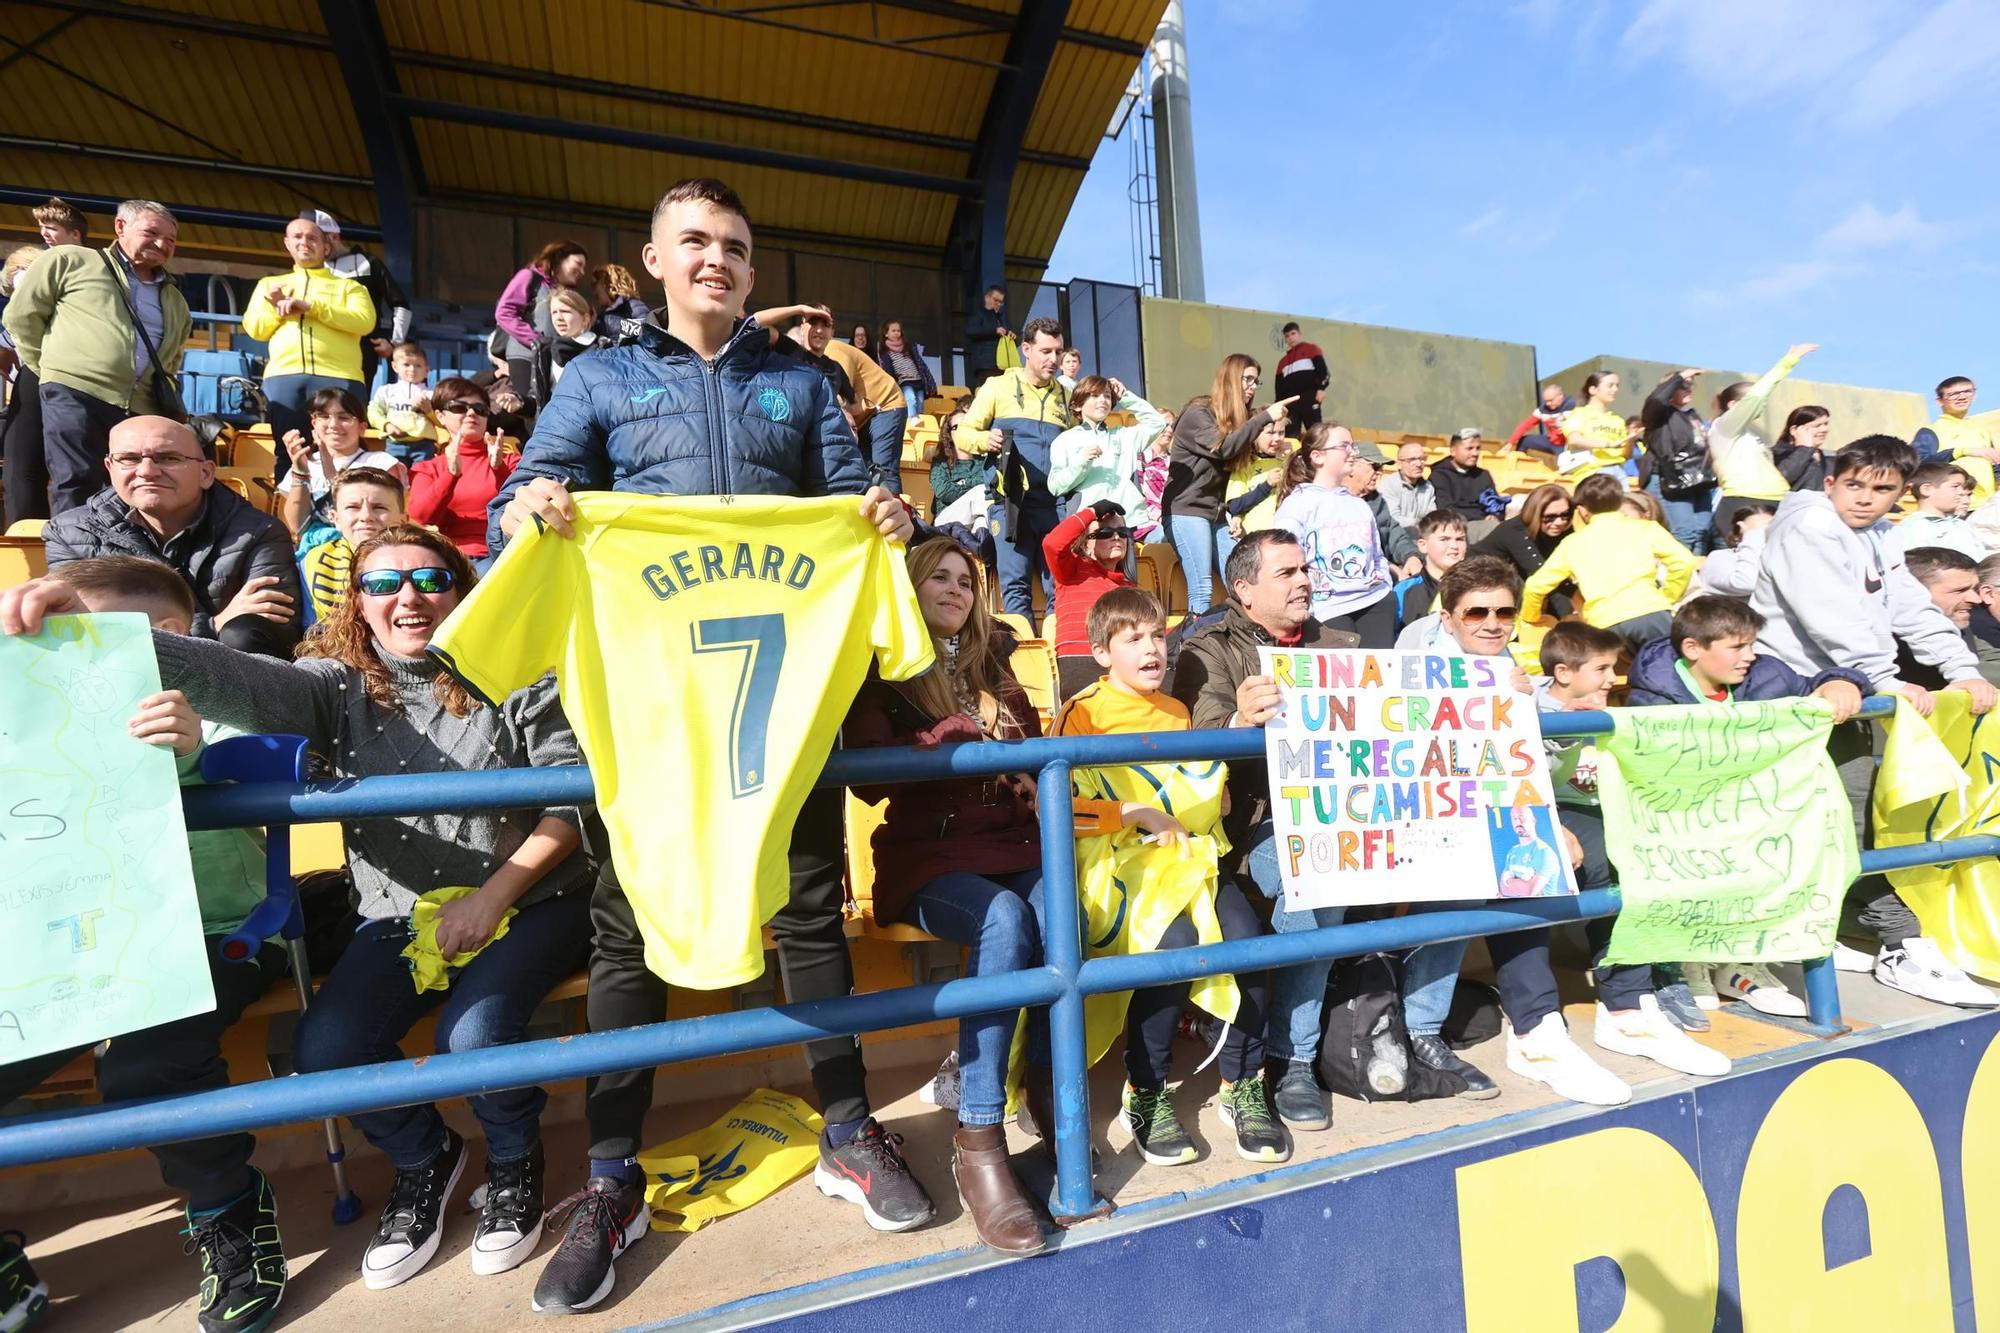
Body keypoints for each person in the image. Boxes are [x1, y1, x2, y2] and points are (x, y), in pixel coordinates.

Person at [487, 177, 930, 1313]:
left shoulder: (803, 381)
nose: (716, 259)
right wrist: (530, 503)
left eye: (734, 245)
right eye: (694, 242)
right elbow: (528, 495)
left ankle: (844, 1127)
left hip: (780, 720)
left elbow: (851, 501)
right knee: (625, 928)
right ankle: (608, 1177)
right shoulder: (595, 375)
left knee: (808, 914)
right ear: (651, 258)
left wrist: (886, 513)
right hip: (650, 716)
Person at [16, 526, 597, 1292]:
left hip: (532, 899)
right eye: (383, 585)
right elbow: (235, 679)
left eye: (430, 577)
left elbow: (567, 804)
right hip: (400, 914)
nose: (409, 597)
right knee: (326, 1049)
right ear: (357, 603)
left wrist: (491, 898)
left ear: (463, 588)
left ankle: (516, 1163)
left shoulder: (522, 669)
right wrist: (98, 637)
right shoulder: (335, 684)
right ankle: (428, 1158)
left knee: (476, 1033)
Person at [0, 556, 290, 1333]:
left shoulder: (215, 698)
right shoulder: (30, 718)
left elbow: (238, 743)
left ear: (166, 638)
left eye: (83, 631)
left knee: (147, 1063)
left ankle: (230, 1214)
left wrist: (188, 741)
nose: (62, 650)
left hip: (211, 935)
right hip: (60, 952)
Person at [842, 540, 1049, 1255]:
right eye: (941, 575)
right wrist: (940, 739)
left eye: (968, 579)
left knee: (1061, 912)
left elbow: (1033, 746)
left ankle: (1046, 1104)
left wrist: (1016, 758)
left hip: (1009, 844)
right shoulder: (884, 667)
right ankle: (981, 1135)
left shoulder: (992, 663)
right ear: (912, 585)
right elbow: (866, 778)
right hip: (927, 857)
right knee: (1004, 918)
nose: (957, 588)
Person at [1750, 435, 2000, 1007]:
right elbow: (1829, 615)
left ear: (1901, 494)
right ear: (1832, 480)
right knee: (1850, 813)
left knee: (1860, 813)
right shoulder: (1808, 526)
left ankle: (1847, 927)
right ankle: (1896, 942)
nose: (1865, 499)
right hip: (1792, 689)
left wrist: (1961, 668)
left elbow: (1910, 608)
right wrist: (1884, 679)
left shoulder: (1880, 536)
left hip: (1852, 690)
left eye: (1883, 490)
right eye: (1855, 485)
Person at [1055, 587, 1284, 1164]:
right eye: (1133, 639)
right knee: (1172, 946)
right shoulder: (1080, 713)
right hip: (1119, 871)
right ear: (1102, 653)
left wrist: (1217, 796)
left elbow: (1195, 787)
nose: (1151, 648)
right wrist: (1131, 812)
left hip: (1188, 862)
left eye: (1157, 635)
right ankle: (1148, 1089)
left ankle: (1243, 1083)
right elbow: (1061, 809)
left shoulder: (1179, 712)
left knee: (1248, 943)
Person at [1169, 530, 1361, 1129]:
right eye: (1287, 572)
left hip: (1340, 808)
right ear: (1245, 590)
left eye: (1305, 568)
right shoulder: (1207, 646)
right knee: (1320, 877)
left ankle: (1287, 1040)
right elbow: (1197, 742)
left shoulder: (1340, 643)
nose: (1305, 580)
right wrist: (1238, 721)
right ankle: (1291, 1056)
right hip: (1252, 817)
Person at [1625, 596, 1870, 1016]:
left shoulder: (1768, 673)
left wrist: (1841, 683)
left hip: (1757, 814)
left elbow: (1813, 686)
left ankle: (1742, 964)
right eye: (1737, 647)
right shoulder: (1651, 696)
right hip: (1689, 816)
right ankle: (1693, 957)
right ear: (1693, 649)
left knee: (1793, 840)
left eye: (1751, 644)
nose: (1750, 656)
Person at [1533, 622, 1740, 1064]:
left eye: (1614, 668)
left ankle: (1657, 981)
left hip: (1600, 806)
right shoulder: (1534, 707)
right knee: (1615, 860)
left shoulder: (1608, 709)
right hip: (1551, 811)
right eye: (1602, 669)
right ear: (1565, 673)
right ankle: (1626, 999)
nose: (1613, 679)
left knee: (1666, 847)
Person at [43, 416, 302, 657]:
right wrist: (212, 624)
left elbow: (270, 630)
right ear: (110, 467)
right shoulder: (70, 533)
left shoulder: (260, 532)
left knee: (241, 633)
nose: (147, 471)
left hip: (222, 682)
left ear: (206, 473)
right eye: (129, 459)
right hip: (113, 679)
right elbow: (85, 628)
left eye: (168, 458)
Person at [2, 198, 190, 516]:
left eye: (170, 240)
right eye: (152, 232)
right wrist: (52, 369)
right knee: (76, 483)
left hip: (138, 409)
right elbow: (22, 317)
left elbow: (171, 360)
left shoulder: (177, 301)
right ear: (120, 227)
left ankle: (114, 564)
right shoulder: (71, 260)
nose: (161, 244)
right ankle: (75, 565)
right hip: (74, 392)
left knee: (125, 492)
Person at [955, 315, 1073, 624]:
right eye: (1046, 351)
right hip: (1011, 504)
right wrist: (986, 439)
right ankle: (1023, 666)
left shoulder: (1065, 395)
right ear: (1026, 349)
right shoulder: (997, 387)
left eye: (1058, 352)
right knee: (1016, 588)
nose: (1054, 359)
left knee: (1060, 589)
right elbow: (963, 435)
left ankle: (1059, 663)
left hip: (1054, 505)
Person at [242, 215, 374, 481]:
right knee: (289, 449)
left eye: (312, 237)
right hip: (284, 376)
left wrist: (311, 307)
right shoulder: (269, 286)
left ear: (326, 247)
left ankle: (346, 512)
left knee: (345, 449)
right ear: (287, 244)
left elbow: (364, 322)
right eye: (298, 237)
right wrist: (280, 310)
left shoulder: (350, 286)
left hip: (340, 375)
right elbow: (255, 328)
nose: (305, 242)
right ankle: (289, 515)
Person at [1163, 353, 1291, 613]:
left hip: (1217, 513)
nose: (1252, 387)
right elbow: (1223, 448)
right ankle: (1196, 650)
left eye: (1256, 382)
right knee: (1202, 589)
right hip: (1187, 510)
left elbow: (1236, 465)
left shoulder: (1237, 421)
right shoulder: (1198, 413)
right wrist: (1265, 417)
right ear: (1230, 379)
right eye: (1247, 379)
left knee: (1241, 584)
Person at [1523, 473, 1696, 649]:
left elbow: (1535, 586)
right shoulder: (1645, 528)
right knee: (1670, 671)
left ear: (1582, 510)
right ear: (1620, 502)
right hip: (1650, 612)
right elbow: (1684, 561)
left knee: (1617, 676)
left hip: (1604, 624)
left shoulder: (1571, 543)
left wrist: (1531, 617)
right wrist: (1668, 595)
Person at [1272, 424, 1396, 645]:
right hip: (1326, 607)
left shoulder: (1360, 504)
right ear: (1318, 457)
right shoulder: (1298, 504)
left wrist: (1384, 585)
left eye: (1353, 445)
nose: (1353, 452)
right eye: (1344, 446)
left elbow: (1377, 554)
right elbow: (1285, 558)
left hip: (1375, 601)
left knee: (1377, 677)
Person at [1709, 344, 1817, 541]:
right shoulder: (1724, 427)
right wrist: (1788, 362)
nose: (1763, 403)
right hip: (1744, 500)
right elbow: (1757, 395)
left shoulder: (1747, 437)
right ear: (1733, 405)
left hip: (1775, 501)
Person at [275, 387, 404, 542]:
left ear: (362, 428)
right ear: (314, 424)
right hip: (317, 552)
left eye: (344, 417)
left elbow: (391, 519)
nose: (333, 424)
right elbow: (297, 526)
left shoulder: (382, 463)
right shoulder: (304, 463)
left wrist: (333, 478)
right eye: (324, 416)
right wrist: (300, 473)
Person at [407, 378, 516, 559]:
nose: (472, 413)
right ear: (440, 415)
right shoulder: (428, 468)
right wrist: (450, 476)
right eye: (459, 407)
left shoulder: (510, 460)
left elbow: (521, 503)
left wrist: (499, 469)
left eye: (480, 409)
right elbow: (422, 515)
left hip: (502, 554)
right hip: (450, 557)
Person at [309, 209, 412, 392]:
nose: (309, 245)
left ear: (334, 237)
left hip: (361, 352)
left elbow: (400, 305)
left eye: (315, 238)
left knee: (354, 406)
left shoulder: (368, 263)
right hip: (320, 352)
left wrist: (394, 343)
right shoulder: (308, 269)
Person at [1043, 499, 1135, 696]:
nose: (1116, 537)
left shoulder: (1129, 587)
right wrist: (1091, 512)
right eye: (1105, 532)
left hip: (1122, 662)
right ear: (1085, 544)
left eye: (1123, 532)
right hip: (1080, 659)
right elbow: (1052, 544)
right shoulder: (1072, 569)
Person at [1047, 374, 1166, 520]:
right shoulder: (1064, 440)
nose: (1103, 400)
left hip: (1126, 520)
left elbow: (1157, 422)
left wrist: (1124, 396)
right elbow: (1055, 487)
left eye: (1108, 396)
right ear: (1077, 405)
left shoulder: (1125, 436)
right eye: (1095, 395)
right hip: (1088, 522)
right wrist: (1082, 462)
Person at [302, 468, 405, 622]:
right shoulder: (311, 564)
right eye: (353, 507)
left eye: (379, 507)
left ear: (403, 519)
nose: (366, 516)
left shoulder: (425, 561)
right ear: (335, 518)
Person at [1641, 367, 1717, 554]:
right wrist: (1680, 376)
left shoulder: (1691, 415)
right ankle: (1678, 579)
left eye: (1690, 386)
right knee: (1684, 533)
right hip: (1669, 479)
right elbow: (1657, 399)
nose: (1688, 389)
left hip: (1698, 480)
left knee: (1701, 532)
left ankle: (1695, 579)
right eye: (1682, 385)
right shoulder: (1658, 414)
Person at [495, 241, 587, 393]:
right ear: (560, 258)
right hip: (525, 356)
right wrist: (536, 340)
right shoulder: (528, 277)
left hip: (550, 358)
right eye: (579, 264)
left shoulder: (559, 289)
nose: (582, 271)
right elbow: (504, 312)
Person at [1893, 547, 1987, 690]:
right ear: (1914, 593)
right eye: (1959, 591)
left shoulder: (1963, 626)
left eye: (1974, 589)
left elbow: (1990, 658)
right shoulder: (1880, 645)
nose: (1976, 599)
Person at [1473, 481, 1573, 582]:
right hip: (1477, 577)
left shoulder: (1563, 529)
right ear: (1535, 513)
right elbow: (1542, 580)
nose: (1559, 522)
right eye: (1550, 517)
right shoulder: (1515, 531)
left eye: (1565, 515)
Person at [1890, 462, 1987, 560]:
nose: (1961, 492)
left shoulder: (1961, 524)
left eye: (1962, 487)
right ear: (1926, 490)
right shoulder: (1915, 529)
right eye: (1955, 486)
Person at [367, 340, 440, 467]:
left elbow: (442, 422)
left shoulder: (431, 395)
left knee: (421, 477)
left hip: (423, 444)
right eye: (406, 364)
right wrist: (386, 425)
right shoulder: (386, 391)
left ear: (427, 370)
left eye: (418, 366)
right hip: (395, 444)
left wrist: (429, 411)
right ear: (395, 366)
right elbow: (373, 412)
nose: (412, 369)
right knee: (394, 478)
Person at [1912, 376, 2000, 479]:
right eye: (1953, 394)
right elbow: (1917, 464)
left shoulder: (1982, 431)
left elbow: (1995, 465)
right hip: (1953, 494)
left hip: (1989, 494)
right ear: (1939, 401)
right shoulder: (1930, 431)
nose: (1962, 397)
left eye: (1967, 391)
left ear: (1974, 396)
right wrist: (1961, 451)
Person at [1393, 509, 1467, 629]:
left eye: (1460, 539)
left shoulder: (1475, 588)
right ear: (1423, 545)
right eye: (1444, 539)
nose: (1454, 546)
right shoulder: (1404, 591)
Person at [1428, 427, 1505, 542]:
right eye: (1469, 448)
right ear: (1453, 451)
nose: (1475, 453)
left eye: (1478, 448)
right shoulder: (1439, 476)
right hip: (1458, 527)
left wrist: (1495, 515)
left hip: (1486, 525)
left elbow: (1495, 503)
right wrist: (1482, 518)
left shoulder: (1483, 475)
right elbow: (1445, 509)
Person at [532, 288, 602, 409]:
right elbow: (538, 400)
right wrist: (520, 403)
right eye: (554, 312)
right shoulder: (544, 351)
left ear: (585, 319)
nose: (558, 317)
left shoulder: (602, 350)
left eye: (565, 311)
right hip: (552, 424)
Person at [1698, 501, 1778, 598]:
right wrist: (1753, 537)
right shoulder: (1719, 558)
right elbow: (1746, 583)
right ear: (1737, 537)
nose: (1763, 537)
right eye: (1758, 534)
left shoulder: (1783, 559)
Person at [1559, 372, 1630, 481]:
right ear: (1593, 390)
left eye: (1617, 385)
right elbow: (1574, 440)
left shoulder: (1618, 420)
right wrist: (1608, 444)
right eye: (1610, 385)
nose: (1615, 389)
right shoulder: (1580, 413)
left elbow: (1625, 454)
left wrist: (1631, 439)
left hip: (1618, 472)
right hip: (1591, 472)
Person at [1273, 322, 1328, 437]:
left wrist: (1321, 389)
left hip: (1309, 397)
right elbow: (1279, 387)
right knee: (1290, 435)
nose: (1290, 338)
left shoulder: (1312, 349)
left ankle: (1320, 453)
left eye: (1293, 334)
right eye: (1287, 336)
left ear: (1299, 334)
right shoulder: (1282, 362)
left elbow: (1323, 372)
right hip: (1291, 403)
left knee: (1316, 432)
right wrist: (1279, 404)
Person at [874, 318, 938, 418]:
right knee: (911, 399)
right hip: (904, 381)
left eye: (898, 330)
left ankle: (920, 425)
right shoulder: (885, 351)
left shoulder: (908, 347)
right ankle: (911, 419)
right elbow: (886, 369)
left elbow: (920, 364)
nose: (896, 333)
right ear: (886, 334)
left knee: (920, 404)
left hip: (917, 380)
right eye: (893, 330)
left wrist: (929, 381)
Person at [1377, 439, 1437, 533]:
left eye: (1422, 459)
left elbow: (1432, 517)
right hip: (1395, 535)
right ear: (1399, 464)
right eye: (1412, 460)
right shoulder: (1388, 485)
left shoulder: (1428, 487)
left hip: (1421, 534)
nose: (1418, 464)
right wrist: (1419, 523)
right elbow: (1392, 518)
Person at [1771, 405, 1832, 492]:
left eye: (1826, 424)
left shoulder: (1829, 459)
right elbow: (1782, 479)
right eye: (1817, 425)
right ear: (1794, 430)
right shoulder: (1777, 454)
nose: (1824, 429)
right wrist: (1804, 449)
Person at [590, 263, 651, 344]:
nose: (594, 291)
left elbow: (646, 331)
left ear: (607, 283)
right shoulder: (600, 315)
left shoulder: (632, 306)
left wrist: (619, 341)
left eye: (595, 284)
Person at [1507, 383, 1570, 458]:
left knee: (1567, 462)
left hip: (1566, 446)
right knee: (1525, 440)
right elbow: (1526, 425)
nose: (1548, 404)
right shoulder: (1542, 411)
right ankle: (1517, 462)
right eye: (1546, 401)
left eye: (1551, 400)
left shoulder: (1572, 409)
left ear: (1560, 396)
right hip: (1551, 442)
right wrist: (1510, 442)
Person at [964, 282, 1008, 387]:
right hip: (985, 366)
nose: (998, 304)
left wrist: (1010, 335)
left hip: (1001, 366)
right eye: (995, 300)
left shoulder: (1000, 318)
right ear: (987, 298)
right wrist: (994, 330)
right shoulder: (978, 314)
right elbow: (970, 330)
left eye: (1000, 302)